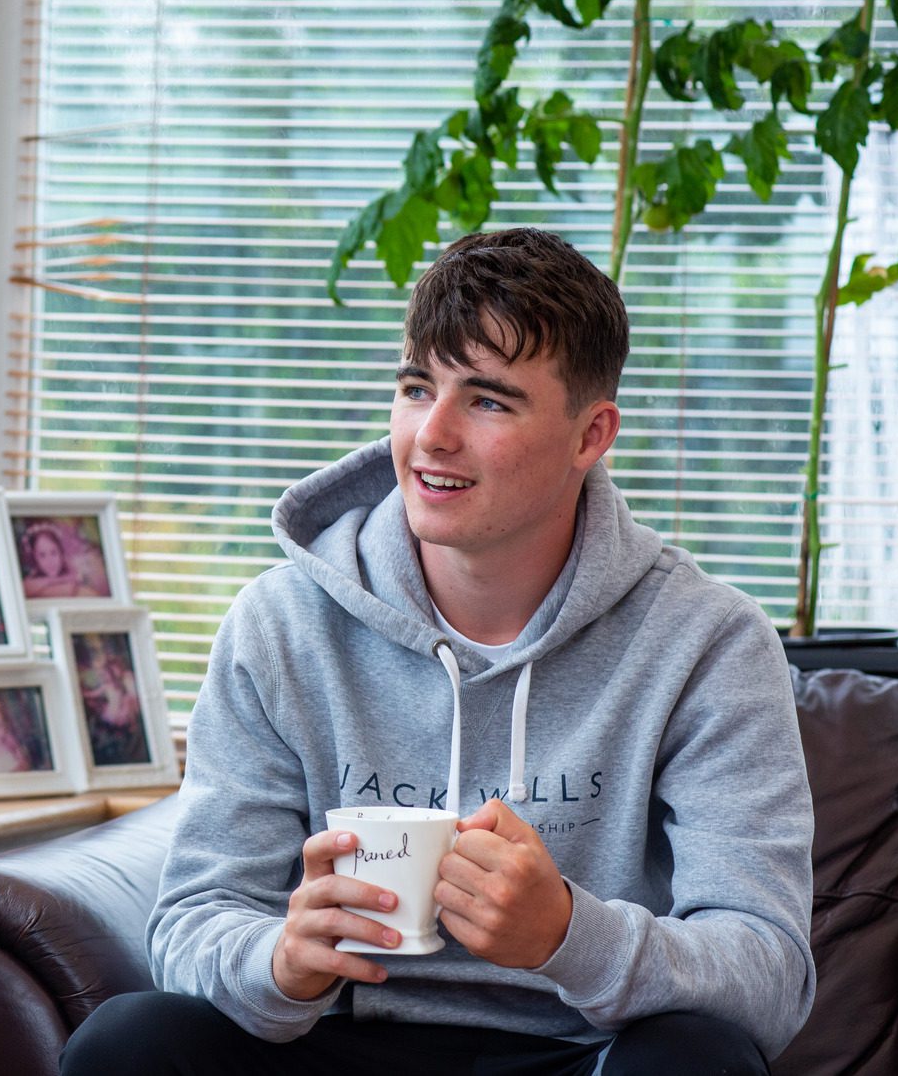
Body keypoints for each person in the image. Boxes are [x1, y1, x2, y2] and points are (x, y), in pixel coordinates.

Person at [60, 229, 814, 1075]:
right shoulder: (280, 624)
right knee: (126, 1041)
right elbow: (195, 918)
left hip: (579, 1053)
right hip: (334, 1042)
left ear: (590, 434)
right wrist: (281, 960)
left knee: (696, 1060)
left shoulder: (707, 642)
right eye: (418, 387)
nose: (433, 435)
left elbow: (769, 973)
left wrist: (569, 934)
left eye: (488, 400)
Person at [75, 634, 149, 766]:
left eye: (103, 649)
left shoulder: (116, 669)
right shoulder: (85, 678)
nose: (101, 655)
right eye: (93, 651)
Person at [19, 520, 104, 599]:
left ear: (61, 553)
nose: (50, 561)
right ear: (35, 558)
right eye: (42, 555)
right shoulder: (27, 586)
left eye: (53, 553)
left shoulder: (76, 579)